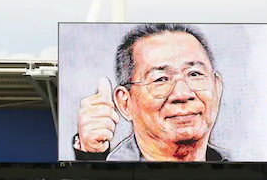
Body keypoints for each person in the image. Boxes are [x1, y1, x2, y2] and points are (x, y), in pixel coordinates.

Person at [73, 24, 226, 162]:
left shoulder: (239, 166)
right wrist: (89, 157)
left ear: (217, 88)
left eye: (194, 74)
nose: (182, 94)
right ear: (125, 103)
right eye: (161, 79)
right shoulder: (110, 171)